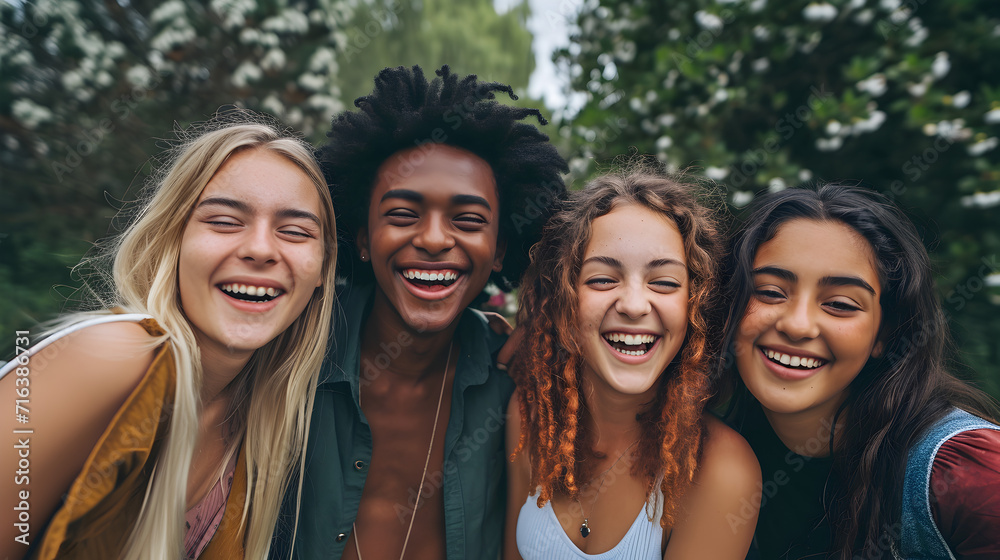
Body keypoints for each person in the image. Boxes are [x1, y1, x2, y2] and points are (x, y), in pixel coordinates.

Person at [0, 112, 338, 560]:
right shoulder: (111, 358)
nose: (260, 249)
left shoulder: (263, 427)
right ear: (171, 240)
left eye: (295, 232)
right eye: (223, 221)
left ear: (321, 271)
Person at [274, 65, 568, 560]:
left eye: (469, 220)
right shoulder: (280, 353)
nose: (433, 239)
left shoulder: (518, 384)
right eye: (403, 215)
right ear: (362, 237)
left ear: (500, 249)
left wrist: (550, 318)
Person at [717, 183, 1000, 559]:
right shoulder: (706, 455)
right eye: (769, 292)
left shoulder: (971, 476)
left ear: (884, 333)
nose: (798, 325)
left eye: (839, 304)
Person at [504, 165, 761, 560]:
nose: (634, 305)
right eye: (603, 279)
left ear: (695, 305)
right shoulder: (529, 416)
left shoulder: (722, 470)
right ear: (563, 303)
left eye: (664, 282)